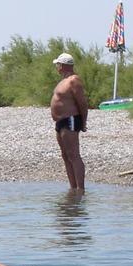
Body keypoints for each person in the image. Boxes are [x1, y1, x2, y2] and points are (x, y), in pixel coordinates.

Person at [50, 52, 88, 192]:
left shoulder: (74, 80)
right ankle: (72, 188)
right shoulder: (62, 81)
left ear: (63, 65)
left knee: (73, 154)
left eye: (58, 64)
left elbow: (82, 103)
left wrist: (83, 123)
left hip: (71, 119)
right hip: (60, 122)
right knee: (65, 155)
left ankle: (80, 189)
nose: (57, 67)